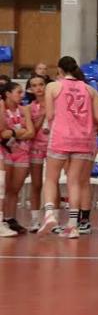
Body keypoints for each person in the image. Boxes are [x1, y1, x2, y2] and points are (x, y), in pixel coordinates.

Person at [36, 57, 98, 238]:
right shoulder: (90, 90)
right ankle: (72, 225)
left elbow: (50, 114)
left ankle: (50, 213)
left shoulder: (53, 87)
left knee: (51, 178)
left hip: (60, 136)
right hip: (83, 139)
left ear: (59, 70)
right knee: (75, 181)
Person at [0, 81, 33, 235]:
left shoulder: (24, 109)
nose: (22, 95)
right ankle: (2, 220)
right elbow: (2, 134)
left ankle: (10, 218)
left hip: (22, 152)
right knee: (4, 188)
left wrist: (12, 133)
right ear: (7, 94)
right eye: (18, 92)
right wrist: (18, 132)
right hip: (6, 151)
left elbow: (31, 132)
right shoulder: (2, 109)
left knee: (15, 189)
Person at [20, 75, 48, 231]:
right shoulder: (29, 108)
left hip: (53, 146)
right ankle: (35, 219)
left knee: (53, 183)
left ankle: (54, 219)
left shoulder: (56, 105)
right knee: (36, 184)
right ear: (30, 89)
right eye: (34, 85)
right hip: (36, 146)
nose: (38, 88)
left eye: (41, 84)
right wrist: (43, 114)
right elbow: (33, 131)